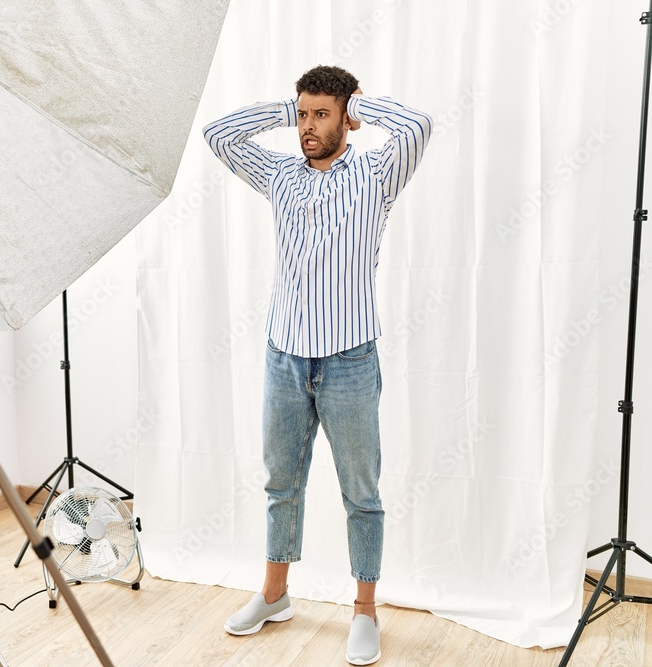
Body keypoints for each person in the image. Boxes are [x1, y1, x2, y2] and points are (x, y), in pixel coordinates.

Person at [202, 65, 432, 665]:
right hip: (284, 356)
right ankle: (275, 595)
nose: (307, 126)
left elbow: (419, 124)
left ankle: (363, 611)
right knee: (282, 483)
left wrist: (362, 106)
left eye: (319, 115)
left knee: (361, 491)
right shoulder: (281, 173)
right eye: (302, 115)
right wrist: (285, 109)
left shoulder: (376, 174)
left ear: (345, 115)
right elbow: (219, 135)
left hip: (350, 357)